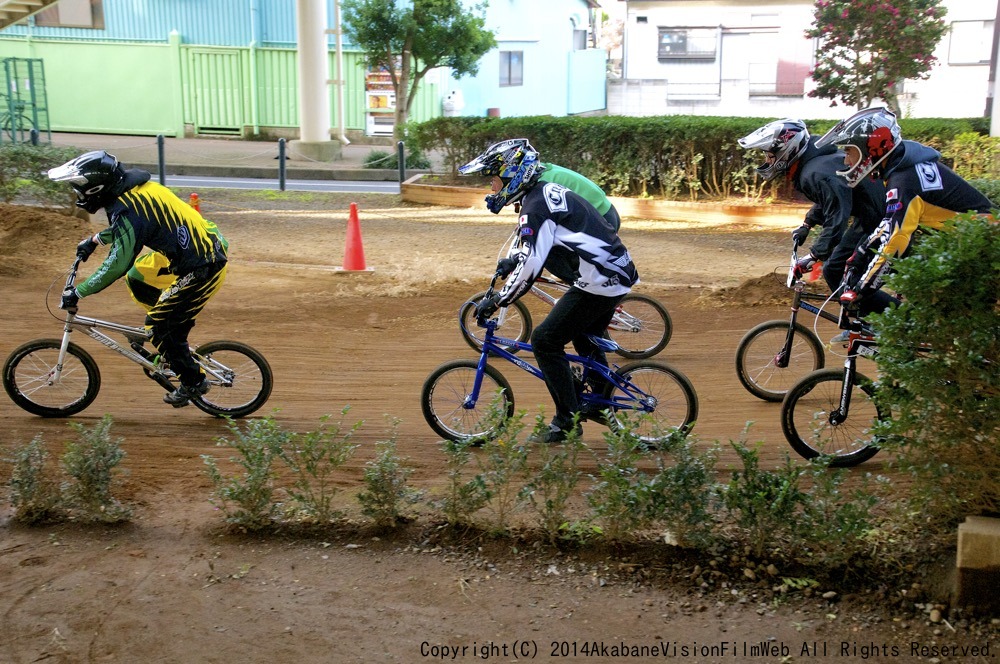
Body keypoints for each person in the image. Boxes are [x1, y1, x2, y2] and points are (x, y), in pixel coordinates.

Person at [459, 140, 639, 444]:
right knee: (582, 334)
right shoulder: (542, 191)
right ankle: (596, 398)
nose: (491, 186)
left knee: (544, 340)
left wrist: (501, 299)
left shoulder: (534, 207)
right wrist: (512, 261)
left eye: (493, 179)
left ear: (512, 175)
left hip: (601, 280)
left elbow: (531, 265)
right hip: (615, 272)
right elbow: (536, 249)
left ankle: (566, 422)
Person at [48, 150, 229, 408]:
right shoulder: (135, 191)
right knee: (138, 277)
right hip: (196, 250)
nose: (78, 193)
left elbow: (117, 264)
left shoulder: (128, 207)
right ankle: (169, 333)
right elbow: (131, 228)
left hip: (203, 266)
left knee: (159, 325)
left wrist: (79, 292)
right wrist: (95, 240)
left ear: (96, 187)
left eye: (80, 187)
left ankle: (193, 381)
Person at [814, 106, 993, 317]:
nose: (846, 160)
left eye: (849, 151)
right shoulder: (901, 169)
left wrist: (863, 287)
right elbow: (889, 225)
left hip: (982, 243)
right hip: (969, 242)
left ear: (870, 148)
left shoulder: (903, 181)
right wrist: (858, 256)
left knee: (944, 318)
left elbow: (896, 239)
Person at [737, 118, 887, 296]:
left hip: (880, 220)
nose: (767, 161)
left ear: (785, 151)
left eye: (770, 156)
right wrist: (808, 224)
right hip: (872, 216)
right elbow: (829, 199)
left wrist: (814, 256)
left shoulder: (815, 173)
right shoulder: (815, 165)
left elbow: (837, 216)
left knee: (839, 272)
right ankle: (860, 314)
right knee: (836, 269)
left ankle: (875, 319)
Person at [476, 138, 621, 285]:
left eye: (493, 180)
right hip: (602, 213)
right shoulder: (535, 174)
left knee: (547, 252)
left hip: (602, 217)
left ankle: (585, 293)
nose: (492, 188)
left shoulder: (540, 184)